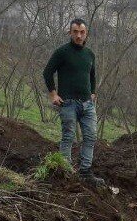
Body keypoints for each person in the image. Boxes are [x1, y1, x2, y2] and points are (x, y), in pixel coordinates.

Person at [43, 18, 104, 186]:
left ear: (86, 34)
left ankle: (85, 173)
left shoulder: (90, 54)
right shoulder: (62, 52)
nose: (78, 35)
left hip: (87, 105)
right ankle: (66, 172)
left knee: (90, 137)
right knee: (68, 137)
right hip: (68, 103)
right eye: (75, 32)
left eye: (82, 32)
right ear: (70, 33)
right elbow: (47, 72)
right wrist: (53, 95)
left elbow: (92, 75)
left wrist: (92, 93)